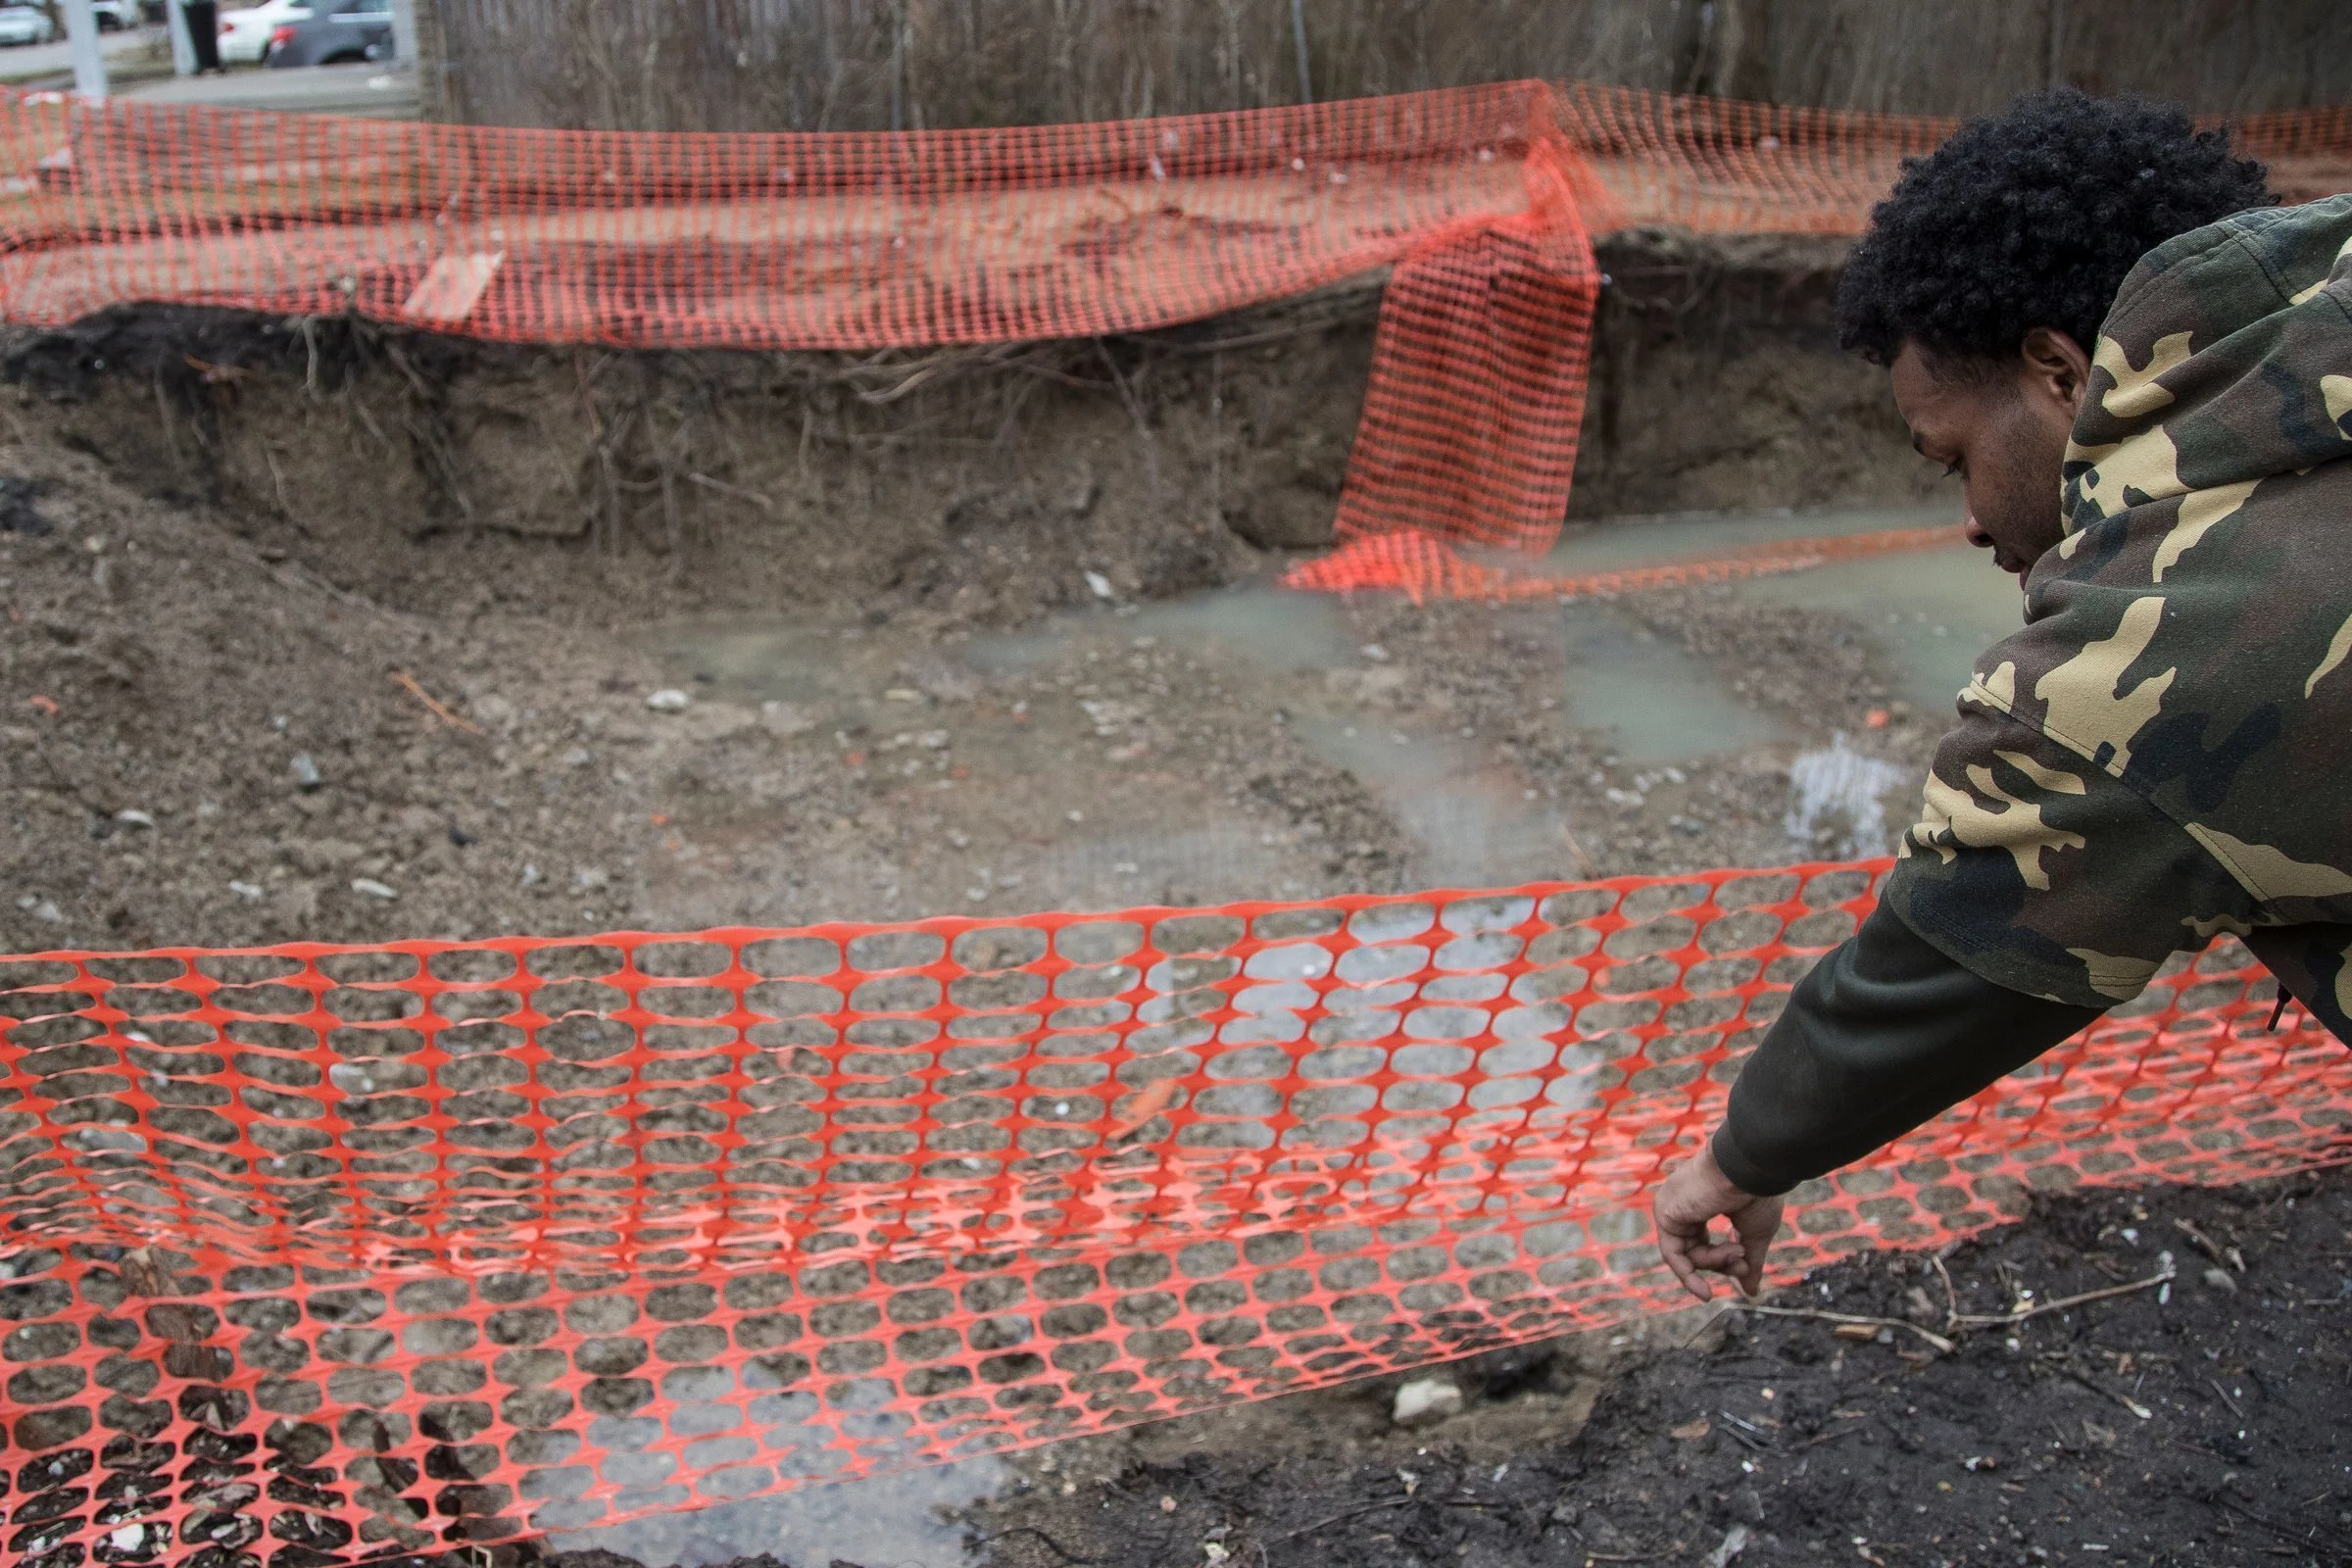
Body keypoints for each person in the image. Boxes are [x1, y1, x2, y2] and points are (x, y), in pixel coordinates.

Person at [1651, 90, 2352, 1302]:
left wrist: (1742, 1157)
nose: (1970, 518)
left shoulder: (2164, 641)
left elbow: (1956, 940)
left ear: (2058, 372)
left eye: (1956, 456)